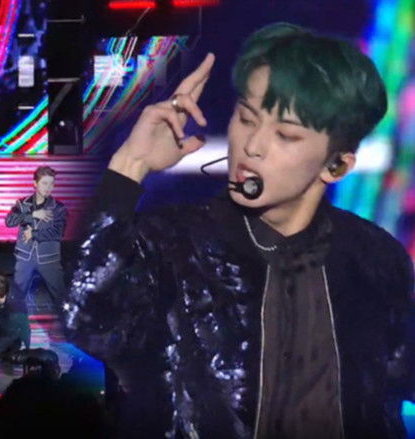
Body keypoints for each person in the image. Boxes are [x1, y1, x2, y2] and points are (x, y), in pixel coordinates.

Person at [64, 23, 414, 438]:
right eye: (246, 118)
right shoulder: (170, 244)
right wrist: (131, 164)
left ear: (336, 165)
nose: (252, 146)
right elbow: (87, 319)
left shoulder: (374, 258)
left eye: (285, 135)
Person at [5, 165, 68, 309]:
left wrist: (34, 234)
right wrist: (32, 215)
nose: (48, 187)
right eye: (44, 183)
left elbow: (58, 233)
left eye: (51, 184)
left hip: (49, 258)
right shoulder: (23, 204)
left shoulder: (58, 208)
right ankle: (15, 322)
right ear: (35, 183)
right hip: (25, 256)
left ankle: (69, 323)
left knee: (61, 298)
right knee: (16, 298)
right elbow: (9, 221)